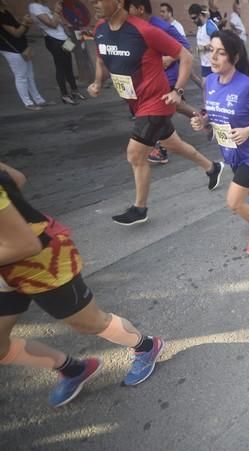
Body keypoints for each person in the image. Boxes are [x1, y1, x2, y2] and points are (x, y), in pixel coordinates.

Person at [0, 162, 164, 407]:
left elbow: (25, 245)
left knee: (90, 323)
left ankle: (146, 346)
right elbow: (15, 178)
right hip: (7, 265)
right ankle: (72, 369)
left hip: (42, 260)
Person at [88, 0, 224, 226]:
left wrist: (177, 90)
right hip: (135, 103)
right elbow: (101, 59)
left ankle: (139, 209)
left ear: (118, 0)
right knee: (175, 145)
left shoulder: (143, 30)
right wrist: (97, 82)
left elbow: (185, 55)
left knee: (135, 154)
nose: (91, 1)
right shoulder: (100, 30)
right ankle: (212, 167)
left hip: (156, 102)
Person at [191, 30, 249, 255]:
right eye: (210, 50)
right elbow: (214, 113)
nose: (213, 57)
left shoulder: (247, 86)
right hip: (230, 152)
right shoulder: (210, 81)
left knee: (233, 202)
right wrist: (203, 121)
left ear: (233, 57)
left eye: (220, 52)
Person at [126, 0, 200, 166]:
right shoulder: (132, 29)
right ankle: (204, 119)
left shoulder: (161, 27)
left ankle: (159, 149)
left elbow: (186, 49)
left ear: (139, 9)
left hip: (166, 77)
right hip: (146, 80)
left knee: (155, 113)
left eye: (127, 8)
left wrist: (166, 59)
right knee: (174, 108)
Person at [27, 0, 82, 105]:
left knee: (68, 65)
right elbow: (51, 24)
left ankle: (74, 91)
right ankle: (65, 95)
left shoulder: (43, 6)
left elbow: (57, 23)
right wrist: (56, 11)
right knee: (61, 67)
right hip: (54, 41)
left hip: (63, 38)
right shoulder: (35, 7)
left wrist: (63, 22)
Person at [0, 0, 49, 110]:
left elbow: (20, 30)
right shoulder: (1, 16)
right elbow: (16, 33)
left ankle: (38, 99)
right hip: (12, 49)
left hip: (21, 46)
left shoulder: (6, 12)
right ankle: (28, 103)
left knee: (29, 75)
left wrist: (25, 24)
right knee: (21, 76)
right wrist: (24, 23)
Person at [188, 3, 218, 77]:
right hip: (205, 64)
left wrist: (203, 48)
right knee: (205, 86)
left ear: (200, 15)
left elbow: (219, 43)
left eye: (194, 18)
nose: (192, 21)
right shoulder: (200, 27)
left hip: (213, 64)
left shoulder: (210, 26)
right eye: (191, 18)